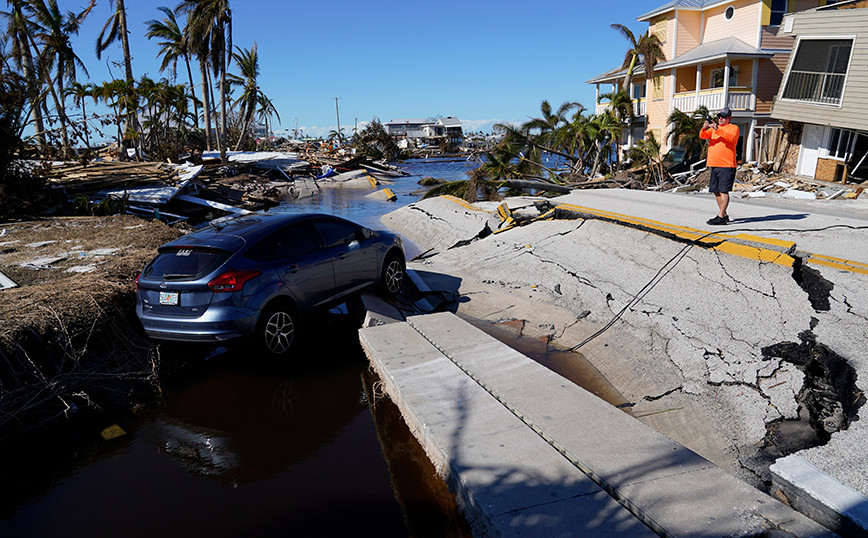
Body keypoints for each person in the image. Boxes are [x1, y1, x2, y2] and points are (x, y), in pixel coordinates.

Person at [699, 107, 739, 225]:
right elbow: (703, 136)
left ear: (729, 118)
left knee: (723, 191)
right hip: (714, 164)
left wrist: (717, 129)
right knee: (716, 191)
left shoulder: (733, 128)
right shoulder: (713, 130)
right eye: (719, 117)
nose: (720, 119)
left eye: (723, 117)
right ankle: (724, 215)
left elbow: (731, 139)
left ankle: (721, 216)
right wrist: (704, 127)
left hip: (726, 164)